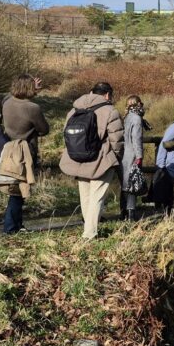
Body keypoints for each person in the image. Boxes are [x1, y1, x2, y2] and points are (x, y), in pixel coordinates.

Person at [59, 82, 125, 240]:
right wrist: (115, 156)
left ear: (90, 92)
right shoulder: (110, 111)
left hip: (78, 157)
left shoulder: (74, 110)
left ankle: (88, 228)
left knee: (86, 195)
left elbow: (66, 134)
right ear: (107, 95)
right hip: (101, 160)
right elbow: (117, 139)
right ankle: (89, 233)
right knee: (97, 197)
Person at [1, 73, 50, 234]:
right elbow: (44, 129)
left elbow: (11, 95)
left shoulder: (6, 103)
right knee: (19, 191)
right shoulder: (32, 108)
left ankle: (17, 225)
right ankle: (11, 228)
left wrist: (31, 88)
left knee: (14, 188)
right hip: (26, 151)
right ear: (29, 89)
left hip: (9, 149)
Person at [121, 94, 148, 221]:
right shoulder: (137, 119)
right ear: (138, 104)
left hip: (125, 154)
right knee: (133, 184)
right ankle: (131, 214)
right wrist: (139, 156)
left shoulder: (127, 117)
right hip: (132, 155)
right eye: (141, 104)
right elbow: (136, 139)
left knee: (126, 183)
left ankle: (124, 212)